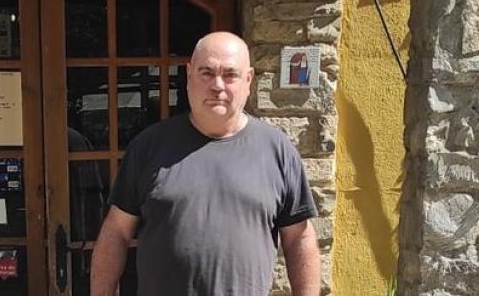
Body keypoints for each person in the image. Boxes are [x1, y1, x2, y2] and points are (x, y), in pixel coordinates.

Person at [89, 31, 322, 296]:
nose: (218, 86)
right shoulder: (149, 147)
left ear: (248, 80)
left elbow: (299, 238)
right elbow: (116, 232)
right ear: (189, 75)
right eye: (207, 72)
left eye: (230, 74)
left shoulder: (277, 151)